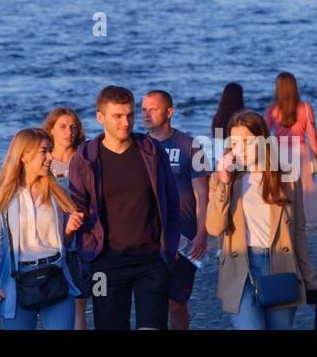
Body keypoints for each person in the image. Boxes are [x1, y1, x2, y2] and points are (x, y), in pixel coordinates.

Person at [67, 85, 180, 330]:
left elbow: (172, 203)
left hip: (152, 260)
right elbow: (77, 209)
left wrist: (169, 247)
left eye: (130, 115)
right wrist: (89, 253)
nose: (126, 122)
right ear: (100, 118)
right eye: (117, 116)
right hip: (104, 263)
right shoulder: (84, 158)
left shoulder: (151, 150)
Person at [205, 111, 317, 330]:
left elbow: (298, 232)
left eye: (247, 142)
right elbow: (214, 228)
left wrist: (311, 279)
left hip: (281, 265)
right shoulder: (223, 178)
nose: (240, 149)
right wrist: (223, 182)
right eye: (234, 142)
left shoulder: (287, 177)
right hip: (240, 268)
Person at [0, 128, 82, 330]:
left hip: (55, 278)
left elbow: (68, 245)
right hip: (17, 284)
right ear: (24, 155)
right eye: (44, 151)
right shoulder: (1, 196)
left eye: (50, 150)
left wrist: (70, 230)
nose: (51, 156)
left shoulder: (58, 191)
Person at [142, 90, 209, 329]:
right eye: (143, 110)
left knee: (177, 302)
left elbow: (203, 194)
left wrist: (202, 233)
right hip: (148, 238)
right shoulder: (138, 146)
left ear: (169, 112)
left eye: (153, 109)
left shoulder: (191, 146)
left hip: (184, 238)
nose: (146, 115)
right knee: (151, 301)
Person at [42, 106, 89, 329]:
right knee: (53, 299)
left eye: (73, 127)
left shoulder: (85, 159)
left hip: (81, 238)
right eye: (62, 127)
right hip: (50, 240)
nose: (68, 132)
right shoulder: (42, 162)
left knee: (80, 299)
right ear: (51, 130)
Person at [264, 73, 317, 221]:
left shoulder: (273, 110)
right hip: (301, 152)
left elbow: (264, 135)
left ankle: (285, 218)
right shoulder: (305, 108)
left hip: (280, 151)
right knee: (303, 189)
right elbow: (312, 136)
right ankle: (299, 220)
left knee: (282, 188)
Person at [209, 82, 247, 168]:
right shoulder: (242, 118)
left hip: (220, 163)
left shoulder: (218, 118)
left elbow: (218, 148)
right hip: (238, 163)